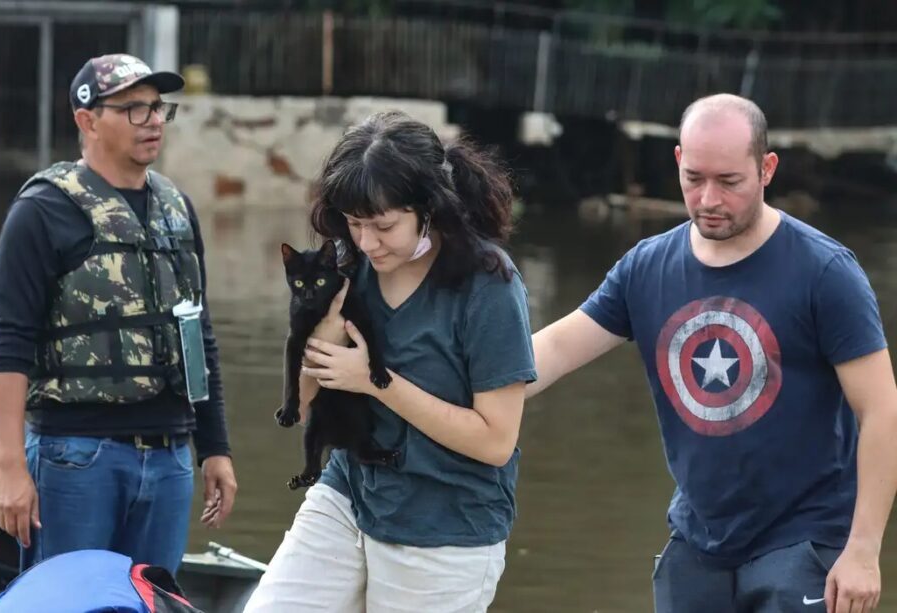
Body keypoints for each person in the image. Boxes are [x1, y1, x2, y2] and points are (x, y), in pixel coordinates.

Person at [529, 93, 897, 613]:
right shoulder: (646, 268)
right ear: (678, 160)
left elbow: (882, 410)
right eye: (694, 178)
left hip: (806, 536)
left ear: (767, 169)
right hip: (699, 539)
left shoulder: (826, 272)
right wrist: (446, 386)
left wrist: (863, 550)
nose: (708, 200)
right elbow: (552, 351)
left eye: (729, 182)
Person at [242, 111, 536, 612]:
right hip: (349, 492)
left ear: (430, 209)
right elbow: (306, 404)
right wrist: (327, 330)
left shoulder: (490, 285)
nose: (366, 243)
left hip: (444, 523)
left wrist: (377, 383)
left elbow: (495, 441)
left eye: (383, 226)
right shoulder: (346, 266)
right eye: (354, 225)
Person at [0, 54, 237, 575]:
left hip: (169, 459)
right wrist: (10, 466)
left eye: (157, 108)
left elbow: (198, 334)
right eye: (133, 108)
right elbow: (9, 345)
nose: (152, 121)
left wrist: (214, 447)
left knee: (149, 604)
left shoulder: (177, 209)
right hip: (75, 457)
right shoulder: (41, 212)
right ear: (87, 120)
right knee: (70, 602)